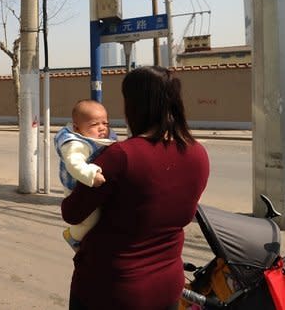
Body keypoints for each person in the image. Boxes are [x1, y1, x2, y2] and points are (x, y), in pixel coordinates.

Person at [61, 66, 210, 310]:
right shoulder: (198, 154)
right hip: (168, 285)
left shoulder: (120, 156)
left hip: (111, 289)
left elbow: (72, 212)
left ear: (135, 105)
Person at [54, 99, 116, 251]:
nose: (102, 128)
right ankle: (73, 236)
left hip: (89, 185)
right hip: (75, 186)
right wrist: (91, 174)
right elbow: (74, 164)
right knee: (90, 220)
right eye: (95, 125)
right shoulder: (76, 143)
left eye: (105, 123)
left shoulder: (95, 136)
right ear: (77, 128)